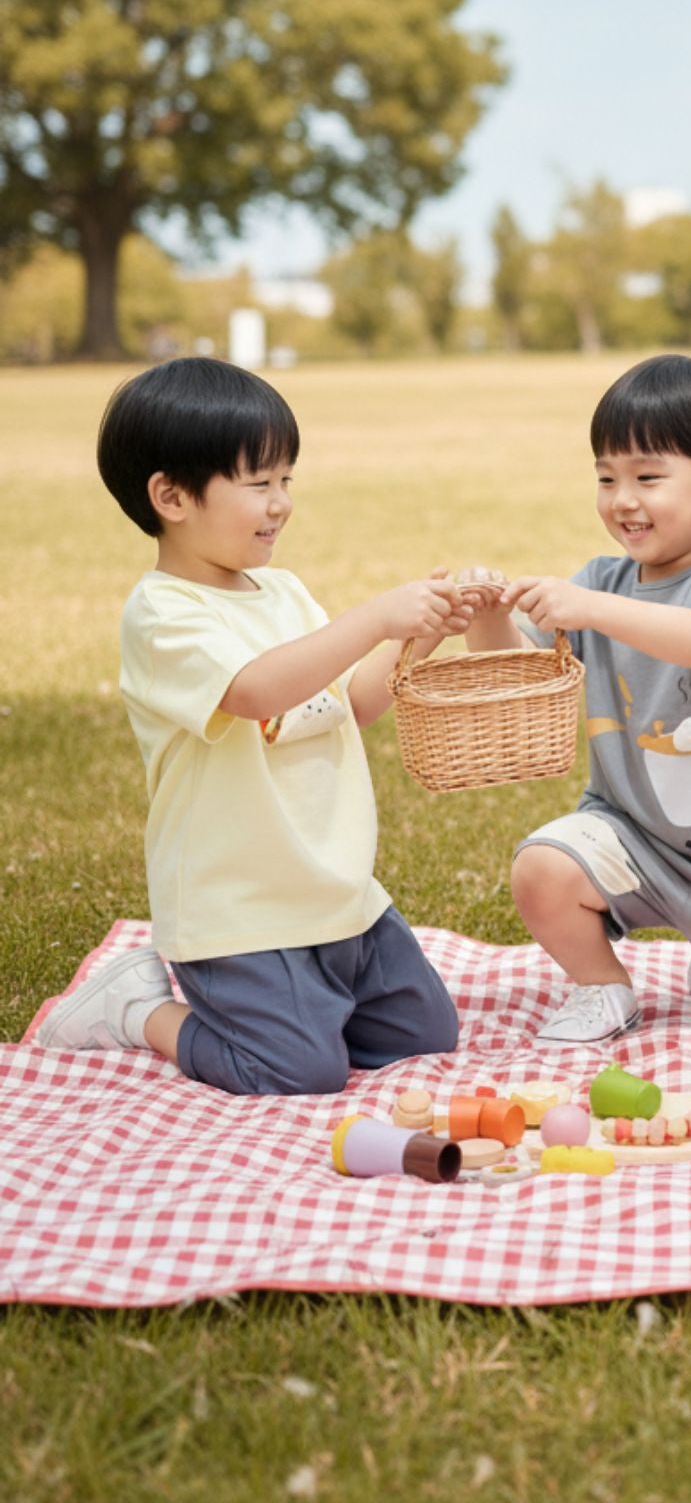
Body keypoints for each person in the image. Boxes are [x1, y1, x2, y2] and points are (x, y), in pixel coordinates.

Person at [34, 357, 468, 1093]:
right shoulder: (164, 615)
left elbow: (349, 704)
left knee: (423, 1036)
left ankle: (307, 998)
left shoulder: (283, 593)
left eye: (287, 480)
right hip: (239, 908)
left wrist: (419, 634)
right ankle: (139, 1009)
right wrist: (374, 616)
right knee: (297, 1069)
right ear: (171, 496)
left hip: (335, 892)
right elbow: (255, 692)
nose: (282, 503)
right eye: (258, 482)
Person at [463, 354, 691, 1044]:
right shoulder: (601, 580)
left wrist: (591, 609)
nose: (622, 498)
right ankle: (603, 987)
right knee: (543, 868)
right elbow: (514, 669)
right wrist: (485, 614)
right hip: (629, 834)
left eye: (648, 477)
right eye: (606, 477)